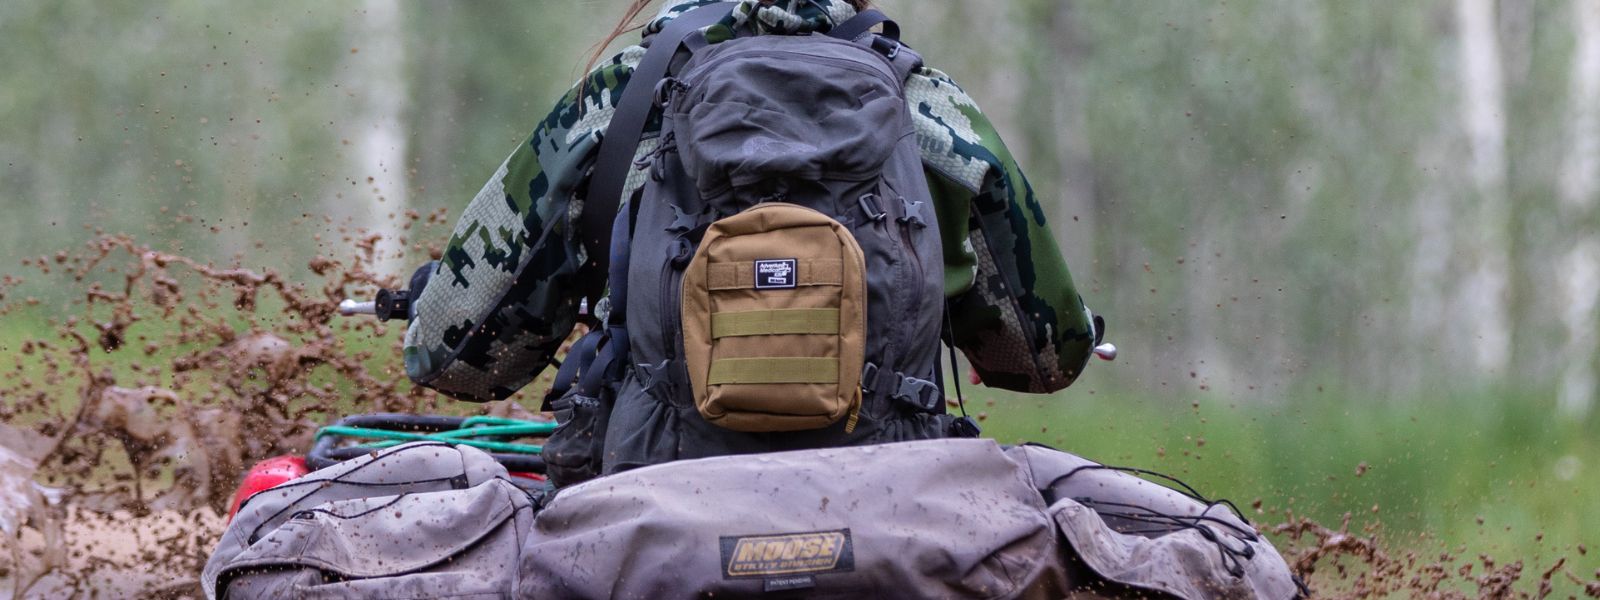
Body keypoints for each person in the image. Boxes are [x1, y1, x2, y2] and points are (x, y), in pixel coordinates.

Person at [402, 0, 1102, 482]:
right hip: (895, 497)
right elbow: (1042, 362)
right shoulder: (927, 106)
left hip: (658, 499)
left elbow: (460, 362)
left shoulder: (621, 99)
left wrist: (435, 304)